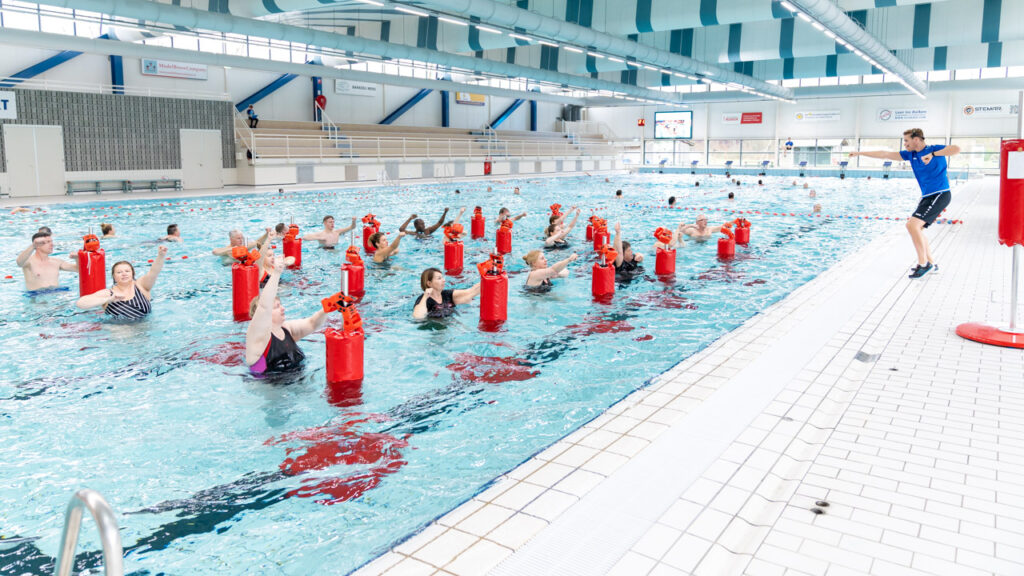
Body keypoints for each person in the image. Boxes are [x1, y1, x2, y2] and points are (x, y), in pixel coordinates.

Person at [851, 128, 960, 278]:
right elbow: (884, 154)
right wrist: (859, 153)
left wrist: (933, 154)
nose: (905, 144)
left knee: (912, 225)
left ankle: (923, 264)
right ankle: (931, 264)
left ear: (916, 139)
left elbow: (956, 149)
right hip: (927, 196)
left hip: (940, 193)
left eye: (907, 141)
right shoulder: (911, 155)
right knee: (917, 229)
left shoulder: (934, 149)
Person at [245, 255, 328, 375]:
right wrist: (277, 273)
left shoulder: (286, 328)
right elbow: (264, 307)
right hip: (272, 390)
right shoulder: (257, 337)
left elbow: (312, 323)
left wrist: (327, 309)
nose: (283, 308)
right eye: (277, 307)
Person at [76, 246, 167, 320]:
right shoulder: (109, 293)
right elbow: (81, 303)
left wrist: (161, 256)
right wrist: (107, 300)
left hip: (145, 329)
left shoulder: (141, 286)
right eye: (119, 272)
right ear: (114, 277)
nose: (124, 274)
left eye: (127, 271)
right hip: (119, 332)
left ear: (132, 274)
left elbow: (154, 272)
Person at [412, 267, 480, 319]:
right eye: (439, 278)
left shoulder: (447, 294)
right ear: (429, 283)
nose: (444, 280)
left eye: (442, 278)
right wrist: (425, 297)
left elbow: (470, 292)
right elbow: (418, 317)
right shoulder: (424, 300)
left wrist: (488, 277)